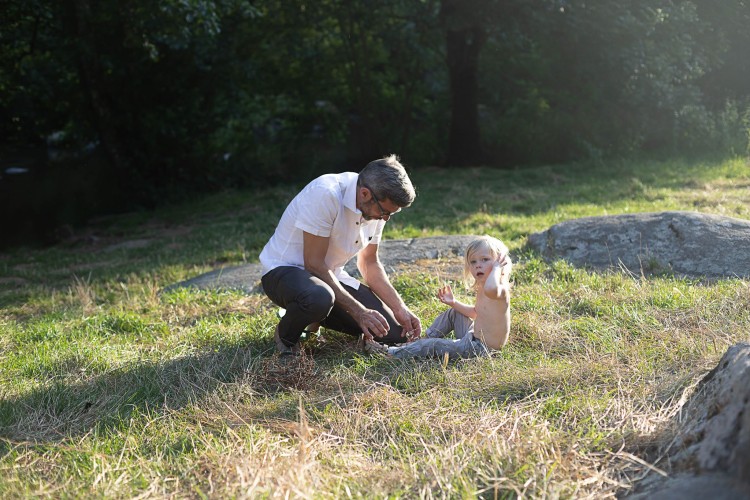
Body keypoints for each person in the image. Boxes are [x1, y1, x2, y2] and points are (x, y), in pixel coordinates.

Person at [259, 154, 422, 355]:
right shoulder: (325, 194)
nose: (386, 219)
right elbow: (314, 264)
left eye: (392, 214)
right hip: (284, 272)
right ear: (364, 193)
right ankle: (286, 337)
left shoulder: (374, 206)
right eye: (385, 212)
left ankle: (317, 315)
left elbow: (370, 263)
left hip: (330, 278)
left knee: (394, 334)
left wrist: (400, 308)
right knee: (318, 297)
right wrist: (359, 311)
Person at [366, 235, 512, 360]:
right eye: (473, 262)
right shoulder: (483, 287)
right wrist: (454, 303)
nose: (478, 265)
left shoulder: (499, 290)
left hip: (481, 350)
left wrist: (498, 269)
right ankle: (422, 340)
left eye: (485, 259)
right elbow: (476, 313)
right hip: (473, 338)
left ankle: (391, 353)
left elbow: (492, 288)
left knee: (435, 345)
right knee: (454, 313)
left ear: (500, 262)